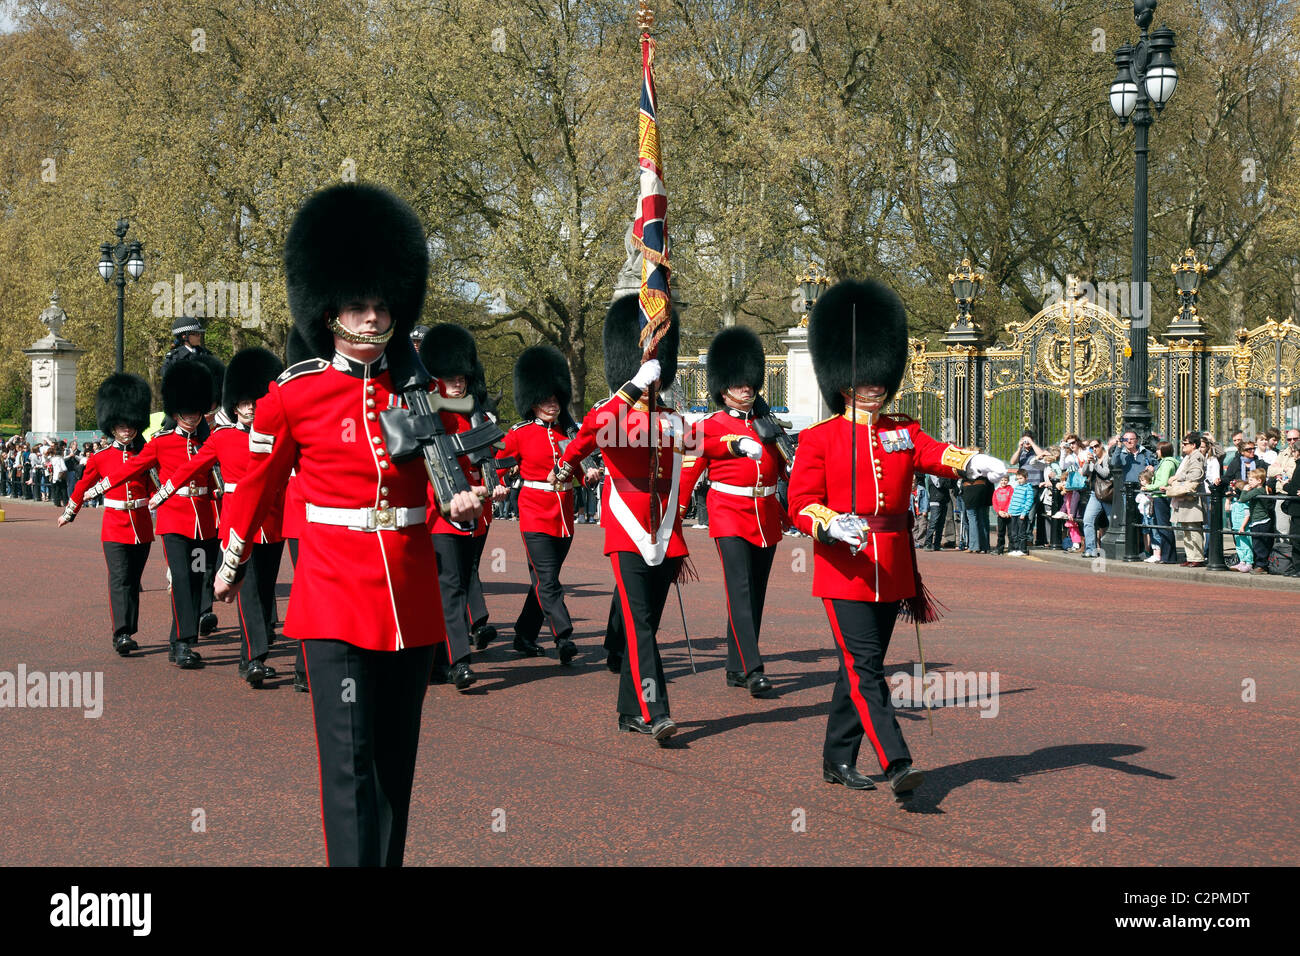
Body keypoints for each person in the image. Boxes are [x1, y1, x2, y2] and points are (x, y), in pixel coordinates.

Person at [214, 183, 485, 866]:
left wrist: (464, 498)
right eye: (359, 305)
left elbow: (456, 466)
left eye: (382, 304)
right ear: (329, 310)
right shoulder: (293, 394)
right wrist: (232, 555)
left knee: (397, 766)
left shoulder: (420, 391)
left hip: (411, 594)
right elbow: (259, 482)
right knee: (349, 767)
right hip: (333, 594)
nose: (372, 316)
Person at [786, 278, 1005, 800]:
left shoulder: (900, 430)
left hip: (894, 566)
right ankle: (897, 760)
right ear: (845, 382)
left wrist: (971, 461)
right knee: (865, 669)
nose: (877, 387)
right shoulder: (820, 438)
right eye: (867, 380)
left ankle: (838, 758)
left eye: (881, 379)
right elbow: (798, 503)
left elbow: (934, 451)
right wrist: (829, 522)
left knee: (860, 669)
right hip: (845, 567)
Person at [553, 293, 687, 745]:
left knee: (643, 624)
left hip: (667, 532)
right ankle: (658, 711)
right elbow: (590, 432)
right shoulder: (614, 415)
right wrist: (631, 386)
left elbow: (702, 443)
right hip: (628, 531)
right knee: (641, 623)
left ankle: (630, 710)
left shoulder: (671, 418)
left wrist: (736, 445)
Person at [154, 348, 286, 686]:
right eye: (243, 404)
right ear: (235, 406)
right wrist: (164, 492)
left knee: (265, 588)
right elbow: (192, 466)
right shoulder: (222, 437)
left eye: (253, 403)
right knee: (250, 589)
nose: (249, 409)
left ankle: (248, 658)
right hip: (239, 520)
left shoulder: (276, 437)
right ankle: (255, 659)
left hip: (272, 522)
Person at [84, 360, 222, 667]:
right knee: (182, 579)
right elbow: (131, 467)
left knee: (199, 580)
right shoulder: (161, 443)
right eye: (186, 413)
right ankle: (185, 643)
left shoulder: (209, 441)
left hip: (204, 522)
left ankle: (179, 641)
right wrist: (94, 490)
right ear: (175, 413)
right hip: (174, 519)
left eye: (195, 412)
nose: (191, 417)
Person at [679, 325, 788, 697]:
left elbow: (787, 469)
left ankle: (736, 666)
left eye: (749, 383)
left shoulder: (768, 425)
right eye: (738, 383)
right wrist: (675, 515)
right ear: (723, 388)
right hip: (728, 512)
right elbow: (691, 472)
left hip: (766, 514)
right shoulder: (708, 426)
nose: (746, 388)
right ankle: (754, 668)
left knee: (755, 593)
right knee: (739, 590)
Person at [419, 323, 507, 688]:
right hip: (440, 511)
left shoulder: (476, 415)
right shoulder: (429, 412)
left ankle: (439, 657)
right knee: (451, 584)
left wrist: (495, 486)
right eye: (451, 377)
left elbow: (488, 459)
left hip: (476, 512)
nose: (459, 383)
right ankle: (460, 660)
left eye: (463, 377)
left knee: (458, 580)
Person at [496, 344, 587, 663]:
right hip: (534, 512)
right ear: (531, 402)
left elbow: (579, 470)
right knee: (548, 579)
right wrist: (499, 485)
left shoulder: (570, 432)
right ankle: (564, 636)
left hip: (564, 515)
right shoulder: (519, 434)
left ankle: (524, 635)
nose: (551, 404)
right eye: (544, 399)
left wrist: (591, 475)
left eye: (554, 398)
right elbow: (497, 466)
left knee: (541, 581)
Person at [58, 374, 156, 656]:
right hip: (115, 526)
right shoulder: (101, 458)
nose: (126, 431)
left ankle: (130, 628)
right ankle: (121, 633)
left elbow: (154, 487)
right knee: (120, 578)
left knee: (133, 579)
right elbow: (82, 486)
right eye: (121, 426)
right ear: (113, 427)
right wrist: (70, 511)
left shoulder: (146, 455)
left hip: (141, 525)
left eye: (130, 426)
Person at [1167, 432, 1207, 567]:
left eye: (1185, 444)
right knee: (1186, 529)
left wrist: (1178, 477)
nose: (1183, 446)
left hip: (1192, 498)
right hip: (1185, 497)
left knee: (1193, 528)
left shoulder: (1197, 456)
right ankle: (1190, 556)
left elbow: (1196, 474)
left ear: (1193, 445)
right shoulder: (1189, 456)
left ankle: (1197, 557)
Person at [1237, 468, 1276, 574]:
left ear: (1259, 481)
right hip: (1258, 521)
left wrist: (1245, 489)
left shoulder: (1257, 490)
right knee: (1257, 544)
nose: (1249, 482)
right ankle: (1260, 564)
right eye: (1249, 479)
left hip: (1261, 522)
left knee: (1260, 545)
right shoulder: (1258, 490)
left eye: (1251, 480)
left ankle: (1261, 566)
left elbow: (1242, 499)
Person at [1080, 437, 1114, 557]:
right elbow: (1084, 473)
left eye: (1096, 446)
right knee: (1088, 520)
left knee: (1113, 522)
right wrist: (1087, 462)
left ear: (1101, 446)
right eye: (1091, 447)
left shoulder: (1107, 458)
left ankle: (1113, 548)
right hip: (1095, 494)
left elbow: (1106, 473)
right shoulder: (1093, 459)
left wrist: (1095, 464)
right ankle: (1090, 549)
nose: (1094, 449)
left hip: (1107, 494)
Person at [991, 474, 1013, 554]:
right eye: (1002, 480)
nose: (1003, 482)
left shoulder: (1010, 489)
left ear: (1008, 481)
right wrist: (999, 511)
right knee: (1001, 533)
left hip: (1009, 514)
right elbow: (994, 502)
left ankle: (1011, 548)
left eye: (1005, 480)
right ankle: (999, 549)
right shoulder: (996, 491)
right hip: (1000, 515)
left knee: (1011, 533)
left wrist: (1007, 511)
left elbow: (1011, 500)